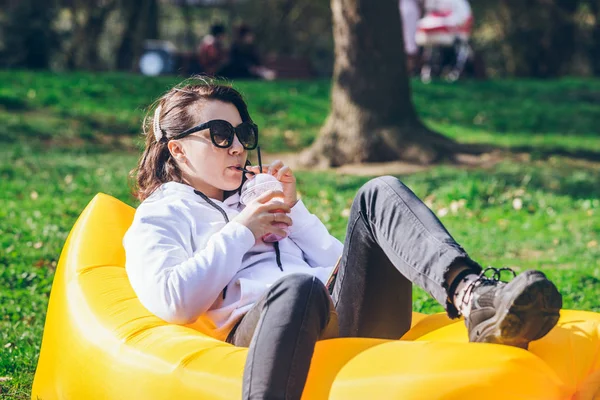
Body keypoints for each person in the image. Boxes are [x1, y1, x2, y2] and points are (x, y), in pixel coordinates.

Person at [124, 79, 563, 400]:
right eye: (220, 135)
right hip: (263, 331)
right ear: (177, 149)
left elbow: (339, 263)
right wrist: (242, 232)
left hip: (348, 315)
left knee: (379, 191)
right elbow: (172, 300)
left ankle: (476, 301)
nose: (237, 147)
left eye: (243, 135)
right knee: (297, 288)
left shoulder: (258, 194)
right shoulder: (162, 214)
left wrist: (295, 211)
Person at [399, 0, 422, 74]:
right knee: (410, 42)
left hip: (408, 8)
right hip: (408, 8)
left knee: (410, 41)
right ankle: (409, 68)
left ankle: (409, 68)